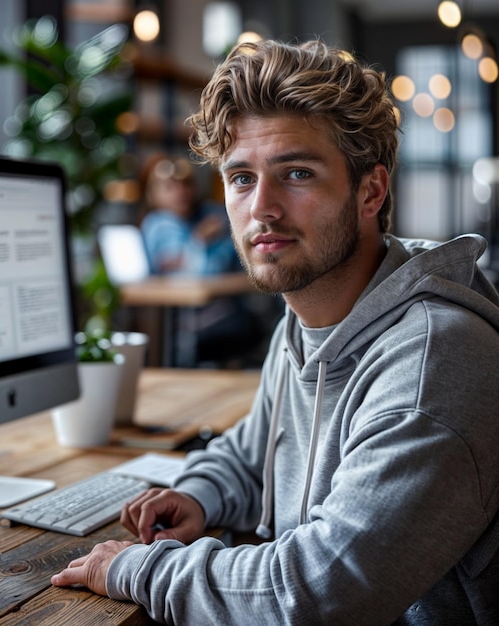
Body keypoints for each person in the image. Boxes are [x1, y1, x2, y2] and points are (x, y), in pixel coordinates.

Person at [51, 38, 499, 625]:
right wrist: (199, 493)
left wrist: (134, 569)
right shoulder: (308, 313)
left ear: (371, 191)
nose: (262, 207)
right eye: (241, 178)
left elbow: (320, 591)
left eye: (295, 173)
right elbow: (254, 449)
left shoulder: (432, 364)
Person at [138, 152, 267, 365]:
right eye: (169, 187)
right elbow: (196, 273)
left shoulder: (205, 215)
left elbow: (236, 261)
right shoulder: (159, 224)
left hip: (218, 313)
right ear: (152, 194)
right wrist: (199, 240)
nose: (180, 192)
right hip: (186, 322)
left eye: (186, 184)